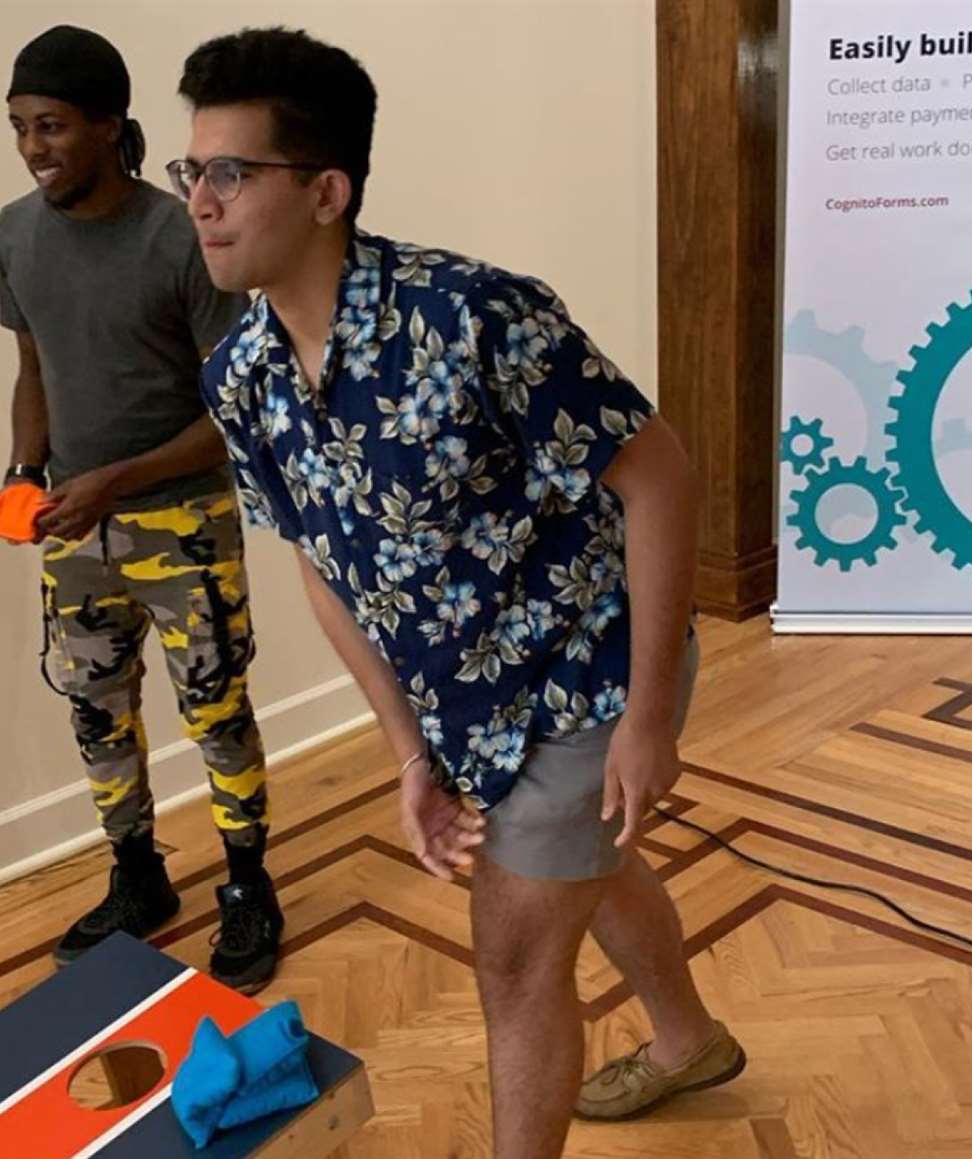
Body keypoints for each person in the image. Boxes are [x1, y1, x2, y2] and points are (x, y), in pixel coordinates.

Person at [168, 27, 747, 1156]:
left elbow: (660, 474)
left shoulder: (474, 316)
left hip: (587, 667)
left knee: (516, 952)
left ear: (326, 190)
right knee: (590, 869)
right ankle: (688, 1043)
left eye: (232, 171)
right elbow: (323, 560)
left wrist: (642, 717)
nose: (202, 199)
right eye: (192, 171)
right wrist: (408, 751)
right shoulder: (240, 374)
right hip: (460, 703)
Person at [0, 25, 282, 992]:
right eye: (22, 127)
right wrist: (27, 472)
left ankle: (246, 884)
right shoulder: (14, 232)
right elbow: (32, 368)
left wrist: (116, 479)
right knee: (95, 711)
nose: (35, 148)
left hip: (183, 521)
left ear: (111, 126)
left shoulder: (181, 238)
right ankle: (138, 875)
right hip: (72, 530)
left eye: (54, 126)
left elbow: (234, 411)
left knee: (216, 707)